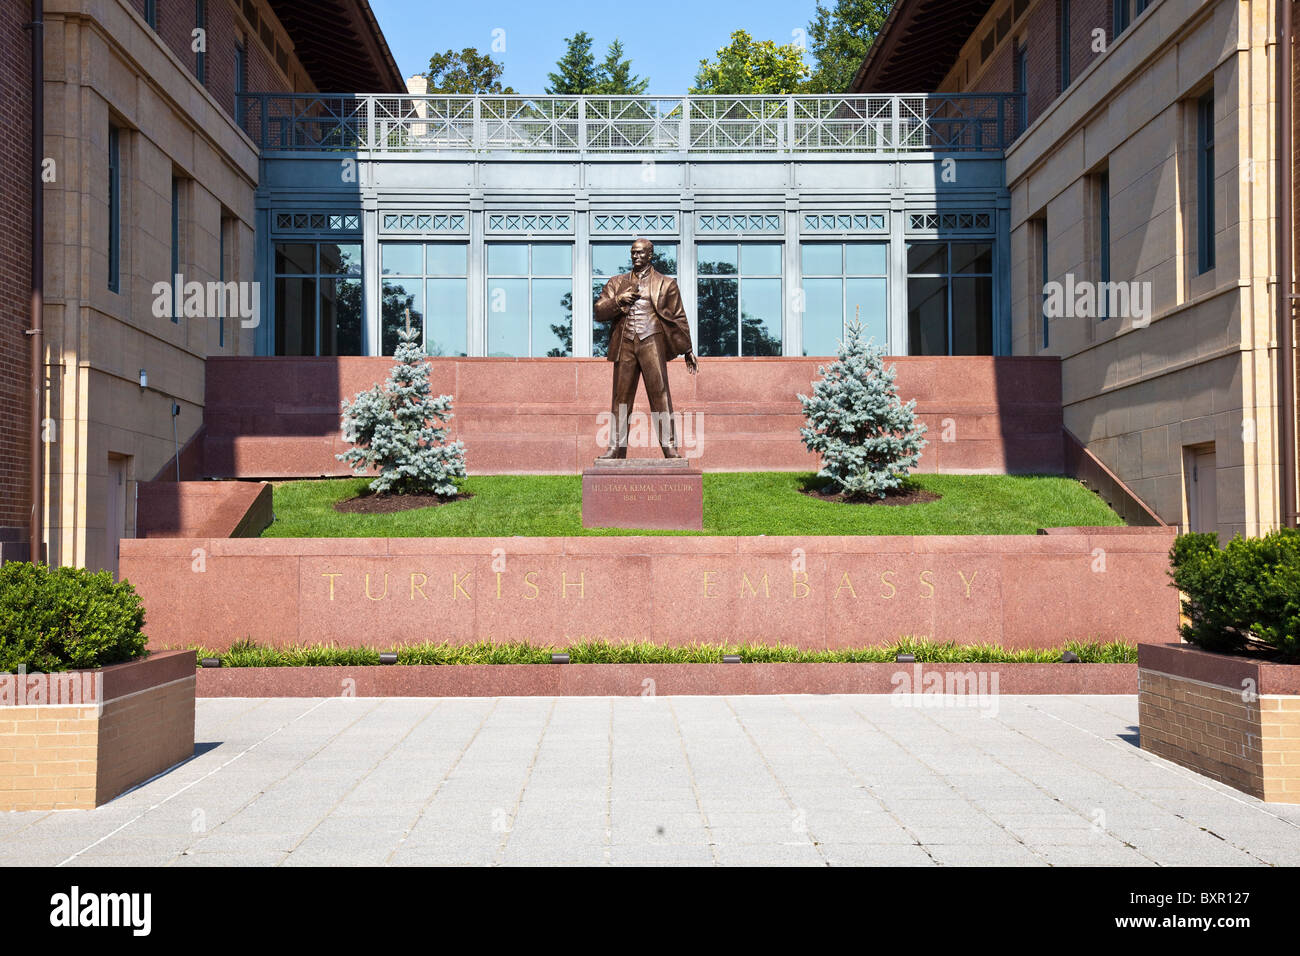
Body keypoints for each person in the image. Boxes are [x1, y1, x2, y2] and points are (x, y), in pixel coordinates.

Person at [592, 238, 699, 459]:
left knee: (660, 394)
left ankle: (670, 447)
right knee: (620, 398)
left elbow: (679, 317)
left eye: (640, 253)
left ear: (650, 255)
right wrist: (619, 300)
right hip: (625, 343)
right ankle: (616, 448)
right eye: (633, 253)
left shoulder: (666, 283)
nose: (636, 257)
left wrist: (687, 348)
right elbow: (599, 311)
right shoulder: (617, 282)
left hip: (652, 340)